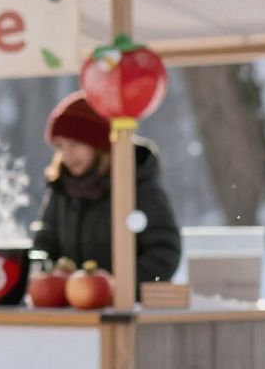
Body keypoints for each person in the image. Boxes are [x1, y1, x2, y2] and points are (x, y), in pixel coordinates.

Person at [29, 91, 182, 290]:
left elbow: (164, 252)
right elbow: (45, 242)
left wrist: (119, 288)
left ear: (100, 145)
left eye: (74, 144)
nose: (66, 155)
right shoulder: (61, 188)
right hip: (72, 307)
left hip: (125, 307)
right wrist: (50, 278)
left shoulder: (139, 188)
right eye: (59, 146)